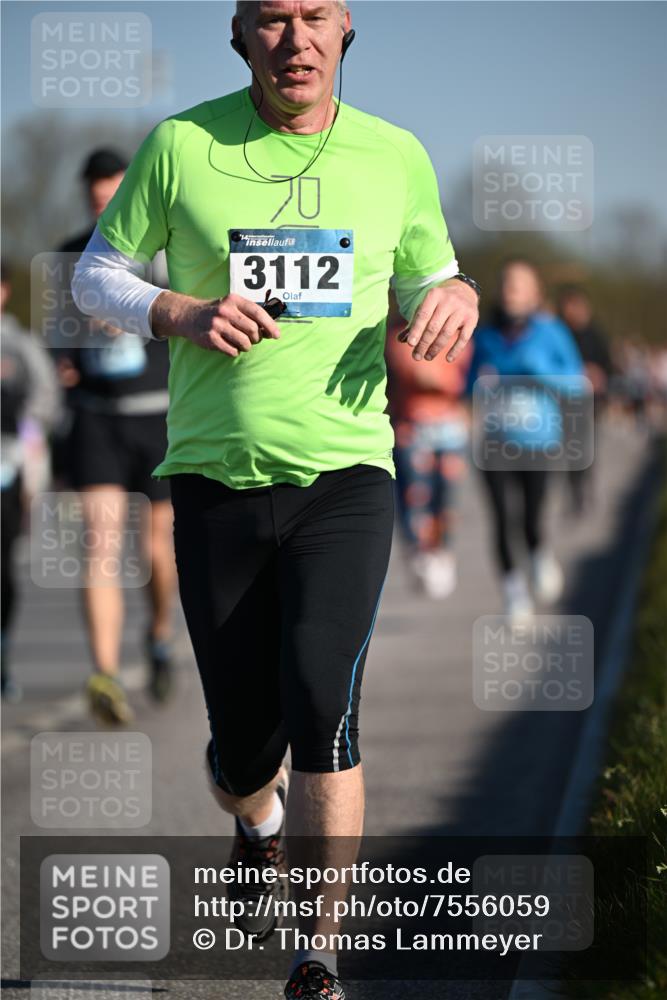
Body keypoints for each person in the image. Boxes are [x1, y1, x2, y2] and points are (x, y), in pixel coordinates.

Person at [71, 3, 480, 996]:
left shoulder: (395, 156)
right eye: (271, 20)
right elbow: (93, 279)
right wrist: (180, 310)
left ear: (345, 33)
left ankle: (318, 952)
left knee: (321, 705)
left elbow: (436, 272)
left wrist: (455, 292)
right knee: (246, 749)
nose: (294, 39)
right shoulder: (182, 145)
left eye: (314, 17)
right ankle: (253, 819)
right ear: (238, 36)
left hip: (345, 479)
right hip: (213, 479)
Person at [55, 149, 177, 724]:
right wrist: (66, 358)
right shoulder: (68, 256)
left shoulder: (163, 248)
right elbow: (58, 344)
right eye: (95, 198)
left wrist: (131, 313)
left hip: (157, 416)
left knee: (156, 550)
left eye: (113, 195)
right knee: (99, 544)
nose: (104, 206)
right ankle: (103, 672)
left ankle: (157, 634)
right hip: (97, 417)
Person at [467, 259, 584, 623]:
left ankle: (539, 554)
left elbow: (577, 383)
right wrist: (478, 384)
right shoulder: (485, 335)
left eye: (518, 285)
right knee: (501, 519)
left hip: (539, 441)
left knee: (531, 518)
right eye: (505, 284)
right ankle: (514, 595)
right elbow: (467, 383)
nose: (509, 291)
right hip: (495, 442)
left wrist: (542, 373)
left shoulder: (552, 333)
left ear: (535, 293)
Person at [1, 259, 61, 701]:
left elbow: (46, 404)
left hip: (5, 470)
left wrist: (25, 450)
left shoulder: (19, 345)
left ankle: (2, 655)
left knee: (2, 570)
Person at [385, 291, 471, 599]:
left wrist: (440, 381)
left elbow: (464, 378)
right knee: (415, 496)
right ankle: (420, 555)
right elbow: (413, 374)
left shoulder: (458, 330)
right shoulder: (396, 334)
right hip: (412, 427)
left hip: (450, 428)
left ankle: (443, 553)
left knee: (447, 498)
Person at [557, 285, 613, 512]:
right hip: (565, 400)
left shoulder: (596, 334)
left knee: (586, 447)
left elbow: (608, 366)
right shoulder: (560, 333)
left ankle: (584, 488)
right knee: (572, 448)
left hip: (590, 402)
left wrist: (599, 375)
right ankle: (575, 489)